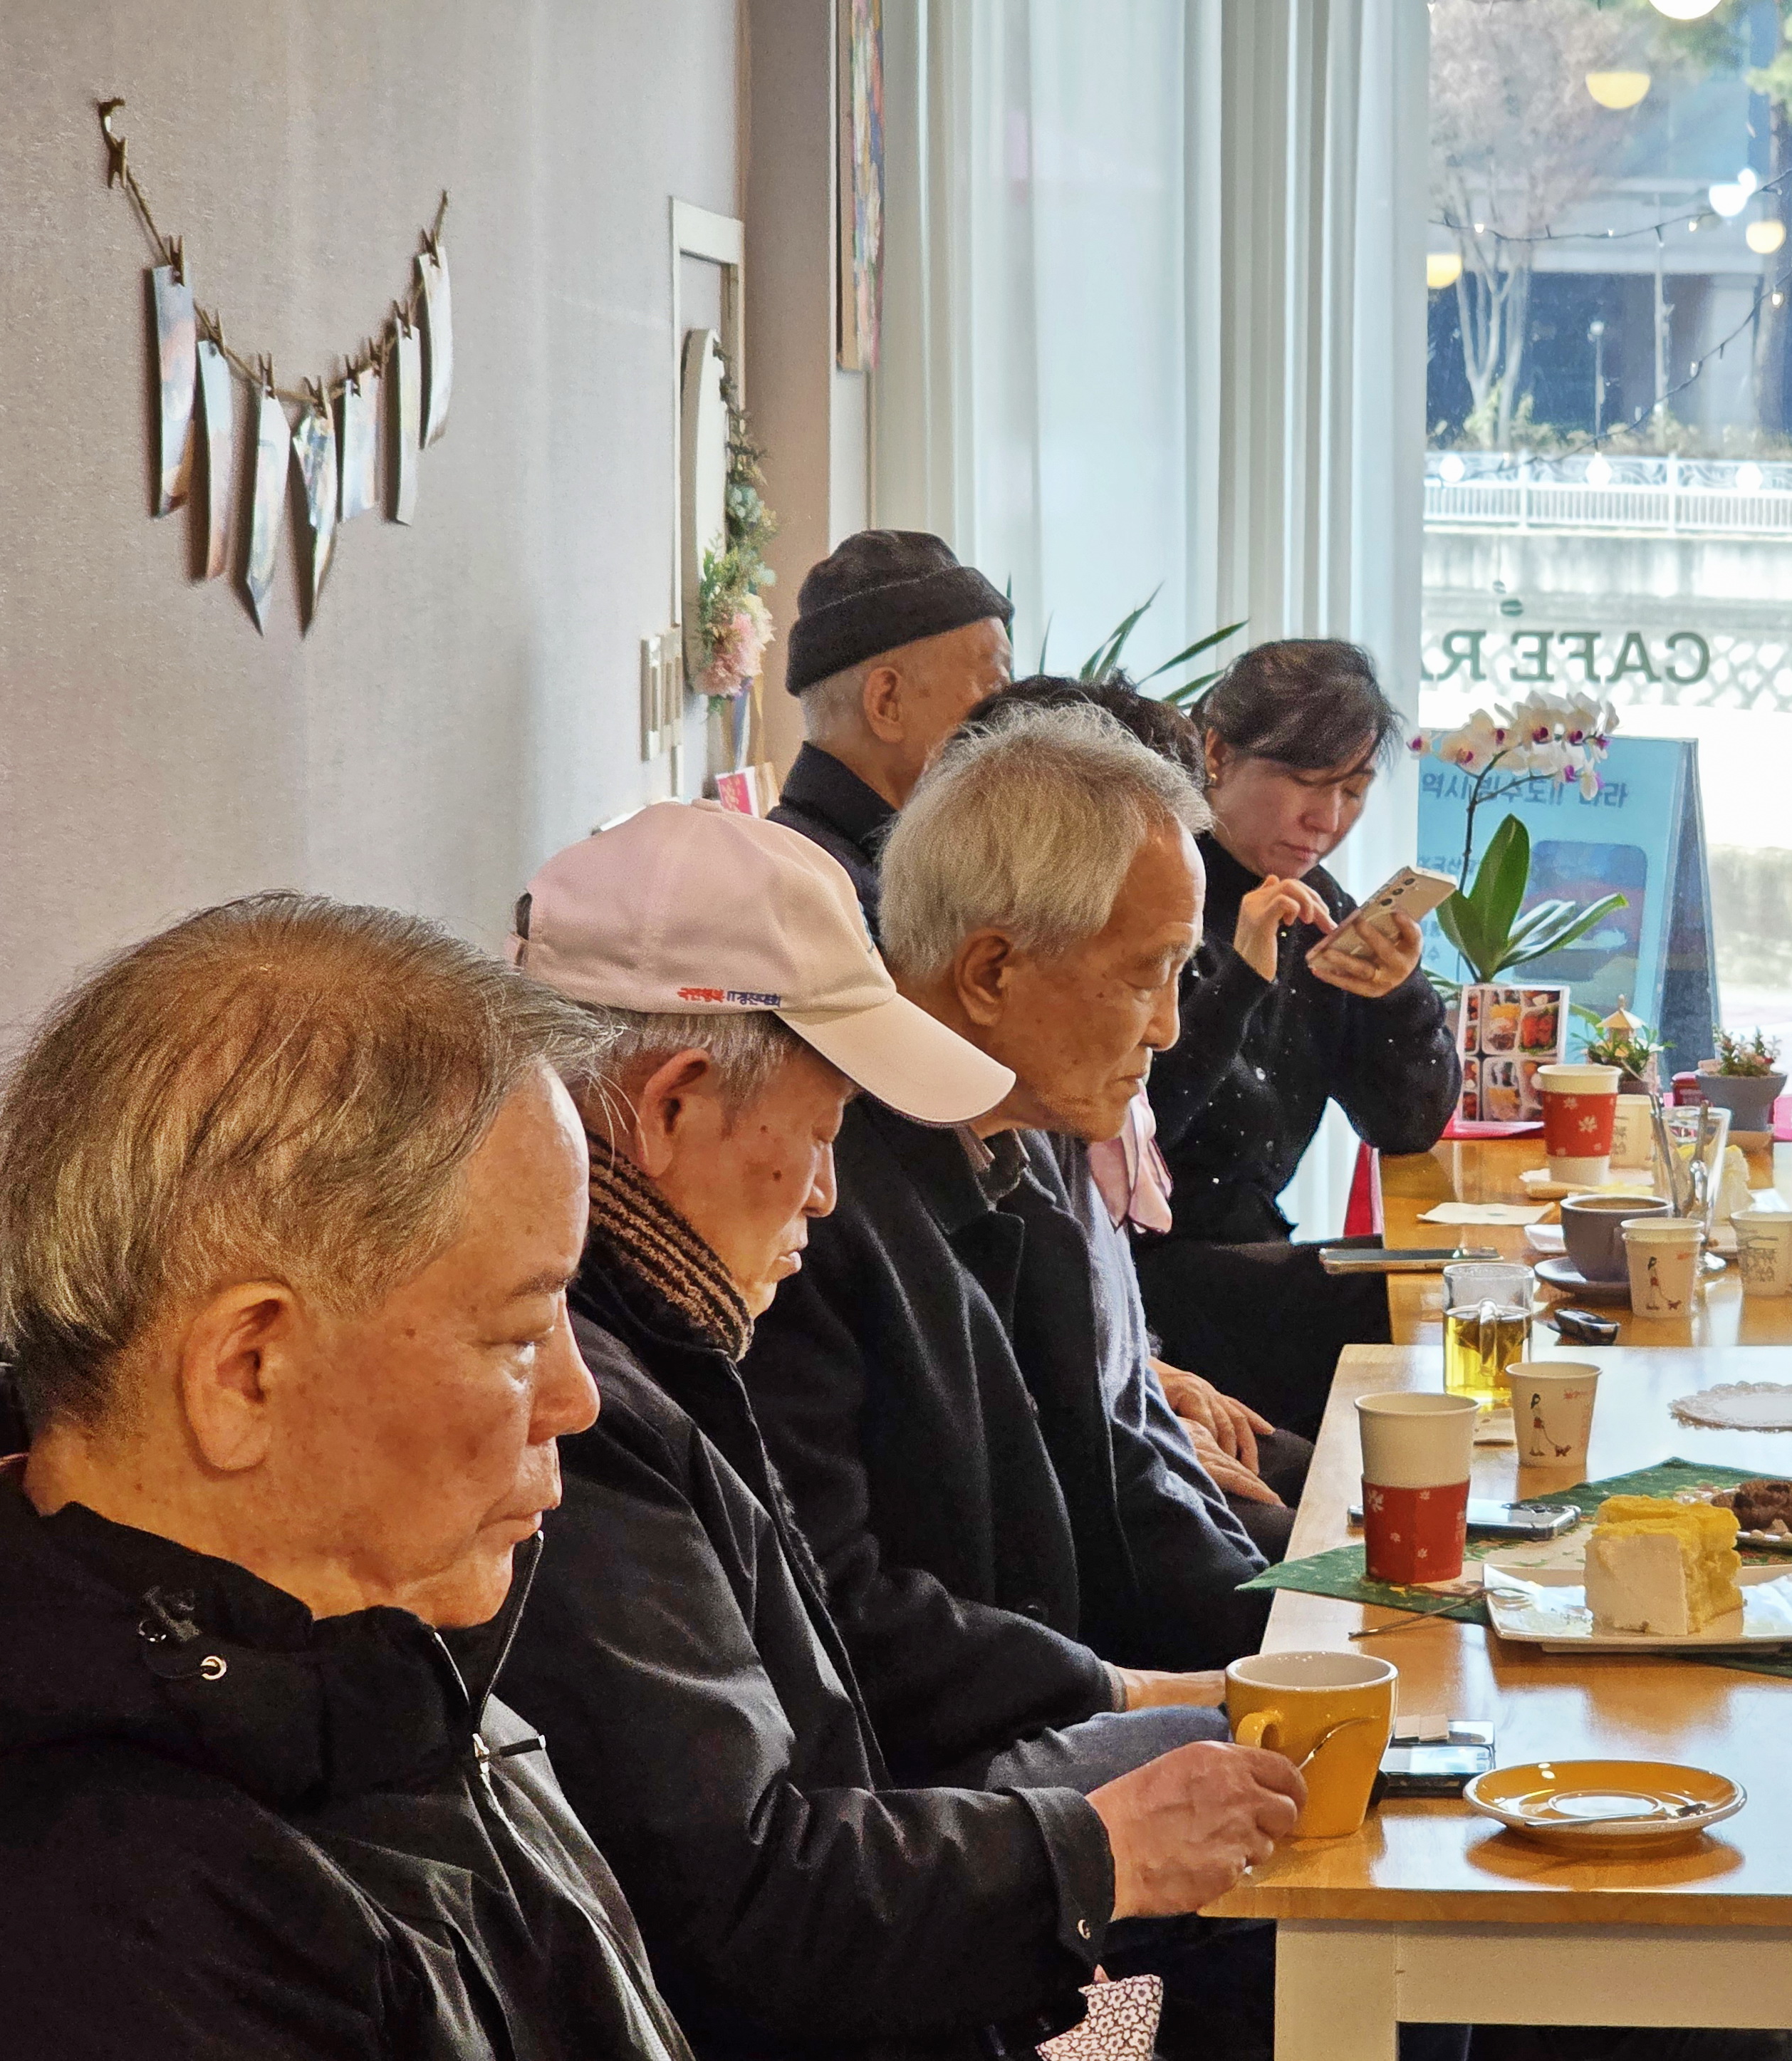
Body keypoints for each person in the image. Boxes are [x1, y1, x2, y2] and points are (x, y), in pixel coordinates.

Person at [494, 800, 1303, 2060]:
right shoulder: (581, 1411)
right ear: (670, 1108)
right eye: (821, 1133)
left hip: (902, 1879)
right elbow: (748, 1904)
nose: (828, 1190)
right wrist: (1099, 1850)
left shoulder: (667, 1329)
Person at [0, 895, 692, 2059]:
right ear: (247, 1371)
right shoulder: (101, 1934)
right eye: (519, 1334)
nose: (577, 1399)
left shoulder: (374, 1650)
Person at [746, 705, 1278, 1680]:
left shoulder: (1024, 1132)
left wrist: (1289, 1644)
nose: (1167, 1028)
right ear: (990, 970)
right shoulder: (807, 1200)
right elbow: (841, 1613)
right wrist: (1135, 1701)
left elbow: (1119, 1481)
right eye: (1147, 977)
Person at [945, 675, 1317, 1552]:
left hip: (1137, 1398)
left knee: (1341, 1476)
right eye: (1151, 974)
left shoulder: (1043, 1086)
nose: (1165, 1026)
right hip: (1105, 1483)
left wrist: (1148, 1377)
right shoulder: (1007, 1093)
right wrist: (1143, 1415)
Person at [1135, 639, 1465, 1436]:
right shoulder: (1153, 885)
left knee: (1452, 1285)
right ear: (1217, 753)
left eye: (1353, 790)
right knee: (1419, 1307)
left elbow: (1405, 1126)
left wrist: (1397, 993)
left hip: (1248, 1262)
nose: (1328, 818)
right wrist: (1239, 984)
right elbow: (1137, 1128)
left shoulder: (1313, 899)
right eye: (1305, 781)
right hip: (1151, 1283)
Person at [771, 527, 1013, 925]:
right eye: (995, 686)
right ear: (888, 703)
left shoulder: (893, 869)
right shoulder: (814, 903)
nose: (1010, 714)